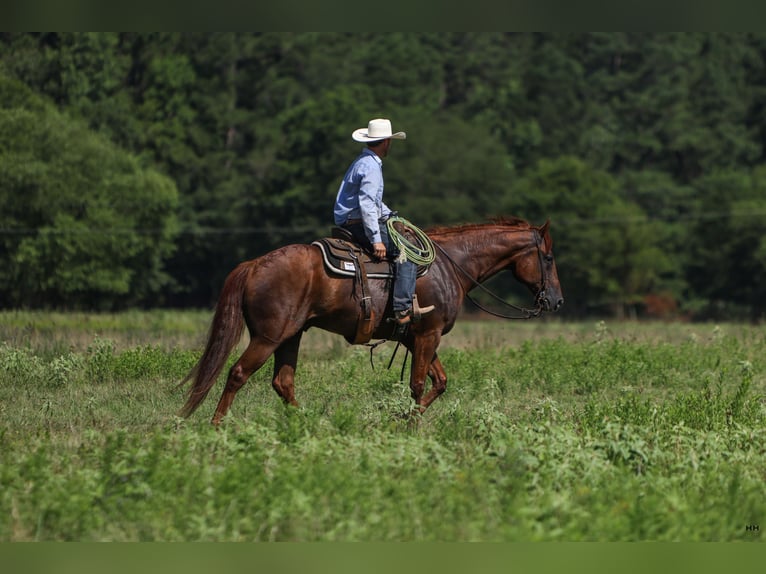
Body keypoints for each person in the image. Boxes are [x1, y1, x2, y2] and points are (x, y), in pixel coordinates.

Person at [334, 118, 434, 325]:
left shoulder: (364, 162)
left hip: (349, 218)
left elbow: (375, 202)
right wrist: (376, 239)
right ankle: (402, 307)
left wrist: (392, 217)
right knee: (409, 252)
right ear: (386, 142)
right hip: (357, 221)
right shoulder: (371, 167)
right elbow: (368, 204)